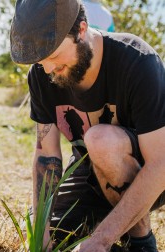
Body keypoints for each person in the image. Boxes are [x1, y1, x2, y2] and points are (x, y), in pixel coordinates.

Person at [9, 0, 165, 251]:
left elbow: (161, 162)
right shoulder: (41, 73)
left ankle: (141, 241)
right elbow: (46, 155)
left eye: (54, 56)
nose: (48, 69)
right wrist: (42, 234)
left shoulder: (138, 61)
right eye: (40, 61)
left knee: (100, 140)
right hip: (89, 174)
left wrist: (101, 240)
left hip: (149, 176)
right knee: (49, 229)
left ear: (81, 29)